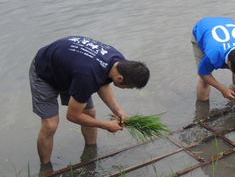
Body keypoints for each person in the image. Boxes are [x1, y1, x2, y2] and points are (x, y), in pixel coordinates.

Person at [30, 36, 150, 164]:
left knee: (89, 113)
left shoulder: (118, 62)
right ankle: (46, 169)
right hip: (45, 72)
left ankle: (90, 154)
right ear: (120, 78)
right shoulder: (87, 76)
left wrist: (118, 111)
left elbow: (103, 83)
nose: (127, 89)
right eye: (128, 87)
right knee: (50, 126)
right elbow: (72, 116)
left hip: (70, 70)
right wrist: (106, 125)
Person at [192, 17, 235, 101]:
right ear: (228, 63)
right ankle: (202, 108)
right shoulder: (213, 55)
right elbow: (202, 73)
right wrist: (222, 89)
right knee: (205, 80)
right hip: (202, 28)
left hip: (226, 22)